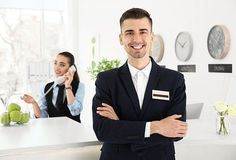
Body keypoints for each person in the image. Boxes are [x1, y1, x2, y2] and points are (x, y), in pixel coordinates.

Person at [92, 8, 188, 160]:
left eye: (143, 31)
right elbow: (102, 130)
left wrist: (120, 125)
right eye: (129, 33)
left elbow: (177, 131)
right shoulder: (106, 80)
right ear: (121, 38)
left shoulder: (174, 80)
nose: (137, 39)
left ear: (151, 36)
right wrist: (157, 126)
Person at [22, 51, 84, 123]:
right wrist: (34, 103)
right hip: (53, 131)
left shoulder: (79, 86)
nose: (56, 68)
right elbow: (42, 117)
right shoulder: (46, 88)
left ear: (71, 69)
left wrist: (67, 86)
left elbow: (75, 111)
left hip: (74, 131)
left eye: (62, 65)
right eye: (55, 63)